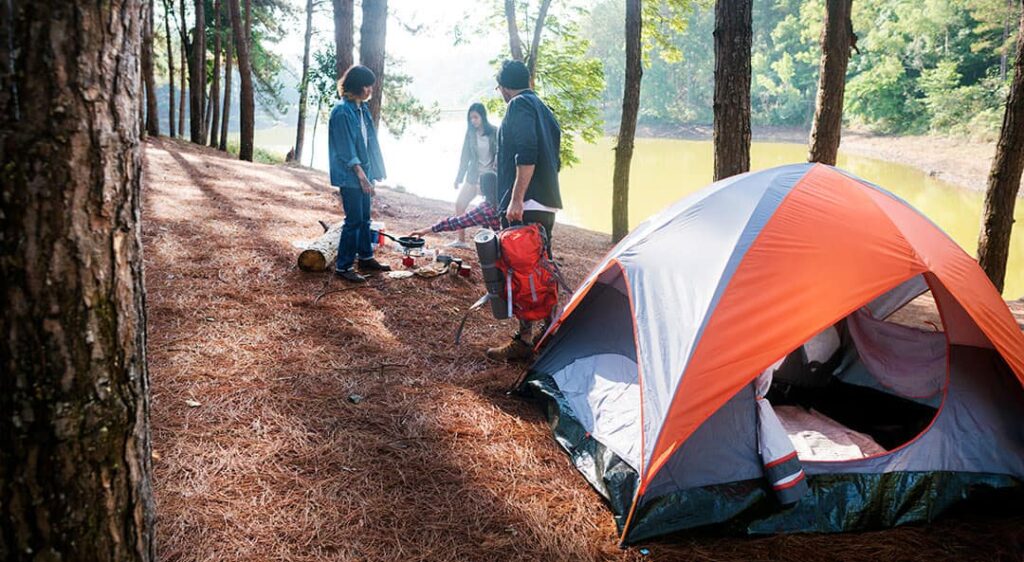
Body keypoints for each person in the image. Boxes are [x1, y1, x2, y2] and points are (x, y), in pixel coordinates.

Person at [486, 59, 563, 362]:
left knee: (524, 270)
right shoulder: (545, 110)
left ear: (504, 87)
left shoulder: (518, 106)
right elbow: (552, 160)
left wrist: (516, 199)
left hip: (527, 203)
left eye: (499, 87)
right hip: (545, 201)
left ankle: (525, 339)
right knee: (543, 266)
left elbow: (527, 153)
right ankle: (549, 330)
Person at [329, 65, 391, 283]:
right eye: (366, 85)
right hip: (351, 176)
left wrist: (375, 172)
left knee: (365, 219)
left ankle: (365, 257)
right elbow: (346, 150)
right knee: (354, 220)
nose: (370, 90)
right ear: (356, 85)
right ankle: (344, 266)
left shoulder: (361, 109)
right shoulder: (341, 112)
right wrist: (362, 176)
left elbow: (369, 143)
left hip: (365, 173)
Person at [450, 103, 498, 248]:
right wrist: (459, 178)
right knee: (459, 204)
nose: (473, 121)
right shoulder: (470, 135)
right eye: (471, 118)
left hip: (491, 178)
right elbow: (464, 157)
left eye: (476, 117)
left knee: (489, 213)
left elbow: (500, 154)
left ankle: (489, 244)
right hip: (473, 176)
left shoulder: (495, 132)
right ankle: (461, 240)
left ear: (483, 116)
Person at [409, 171, 501, 238]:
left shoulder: (485, 208)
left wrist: (425, 230)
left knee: (482, 234)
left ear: (484, 186)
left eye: (478, 183)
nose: (476, 186)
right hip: (511, 243)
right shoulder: (500, 202)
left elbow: (457, 222)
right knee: (483, 232)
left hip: (507, 248)